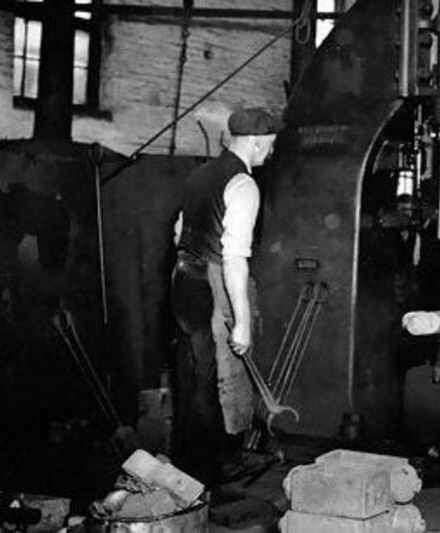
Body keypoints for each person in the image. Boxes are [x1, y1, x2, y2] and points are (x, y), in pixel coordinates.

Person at [171, 107, 282, 486]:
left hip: (183, 279)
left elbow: (178, 233)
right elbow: (234, 258)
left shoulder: (199, 174)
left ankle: (193, 472)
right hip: (213, 281)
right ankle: (220, 471)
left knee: (195, 373)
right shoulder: (243, 184)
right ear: (254, 142)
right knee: (225, 378)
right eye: (269, 145)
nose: (270, 152)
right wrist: (244, 322)